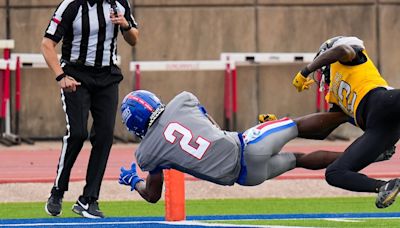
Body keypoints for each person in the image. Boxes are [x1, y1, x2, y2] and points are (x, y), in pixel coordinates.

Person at [116, 90, 394, 203]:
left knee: (297, 160)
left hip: (246, 178)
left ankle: (372, 155)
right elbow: (208, 123)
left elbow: (153, 195)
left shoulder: (146, 154)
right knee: (296, 126)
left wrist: (133, 182)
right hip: (247, 143)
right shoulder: (181, 100)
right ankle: (354, 111)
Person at [41, 0, 139, 218]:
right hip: (76, 74)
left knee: (104, 136)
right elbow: (47, 44)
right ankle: (58, 191)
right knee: (77, 133)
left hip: (107, 76)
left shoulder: (119, 3)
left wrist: (125, 25)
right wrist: (61, 76)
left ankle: (88, 199)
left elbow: (134, 38)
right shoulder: (71, 5)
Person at [291, 36, 400, 209]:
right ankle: (384, 186)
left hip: (384, 103)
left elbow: (342, 51)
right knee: (334, 173)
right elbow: (321, 131)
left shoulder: (346, 56)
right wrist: (279, 126)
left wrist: (306, 71)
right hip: (381, 129)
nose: (320, 74)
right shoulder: (337, 97)